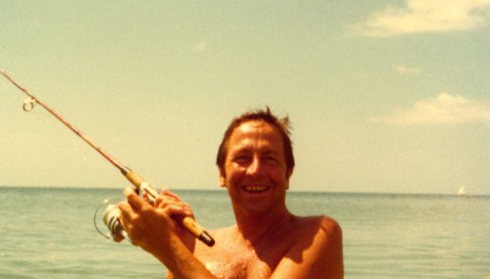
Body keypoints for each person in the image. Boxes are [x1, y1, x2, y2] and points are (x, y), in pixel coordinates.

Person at [119, 107, 343, 278]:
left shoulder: (319, 234)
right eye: (242, 158)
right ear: (221, 175)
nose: (255, 170)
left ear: (288, 175)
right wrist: (179, 241)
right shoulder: (196, 248)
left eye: (270, 158)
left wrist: (167, 246)